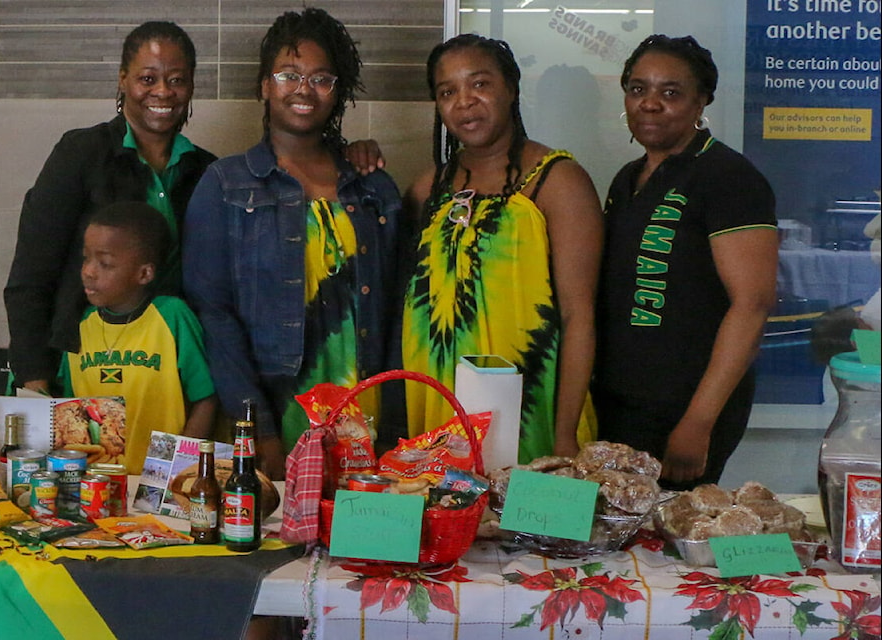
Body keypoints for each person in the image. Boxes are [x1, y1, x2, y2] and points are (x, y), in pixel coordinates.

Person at [182, 8, 404, 480]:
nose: (303, 89)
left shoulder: (372, 188)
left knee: (361, 546)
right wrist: (256, 426)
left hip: (364, 419)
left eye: (321, 78)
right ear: (265, 85)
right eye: (288, 74)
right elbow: (214, 317)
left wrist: (396, 424)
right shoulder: (224, 184)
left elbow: (395, 314)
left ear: (337, 91)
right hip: (274, 413)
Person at [402, 34, 603, 464]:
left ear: (510, 88)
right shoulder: (426, 189)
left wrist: (565, 434)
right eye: (447, 91)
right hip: (440, 409)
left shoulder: (559, 182)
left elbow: (578, 315)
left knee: (525, 529)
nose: (464, 102)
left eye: (479, 84)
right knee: (450, 526)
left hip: (531, 406)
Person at [593, 35, 778, 490]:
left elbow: (752, 305)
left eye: (670, 92)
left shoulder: (729, 178)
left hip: (686, 408)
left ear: (701, 101)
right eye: (638, 89)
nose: (650, 104)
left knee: (667, 542)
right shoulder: (628, 178)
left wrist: (698, 423)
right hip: (620, 402)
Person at [4, 21, 216, 397]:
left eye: (177, 80)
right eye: (147, 79)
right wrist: (35, 384)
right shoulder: (81, 154)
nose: (163, 92)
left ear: (191, 86)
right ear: (123, 80)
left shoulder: (208, 172)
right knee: (84, 455)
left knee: (157, 458)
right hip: (76, 371)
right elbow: (31, 277)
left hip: (167, 378)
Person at [58, 201, 216, 474]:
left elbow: (206, 397)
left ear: (144, 273)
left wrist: (181, 466)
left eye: (105, 263)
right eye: (86, 258)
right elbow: (72, 411)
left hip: (159, 481)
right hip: (99, 484)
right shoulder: (82, 325)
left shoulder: (171, 316)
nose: (88, 271)